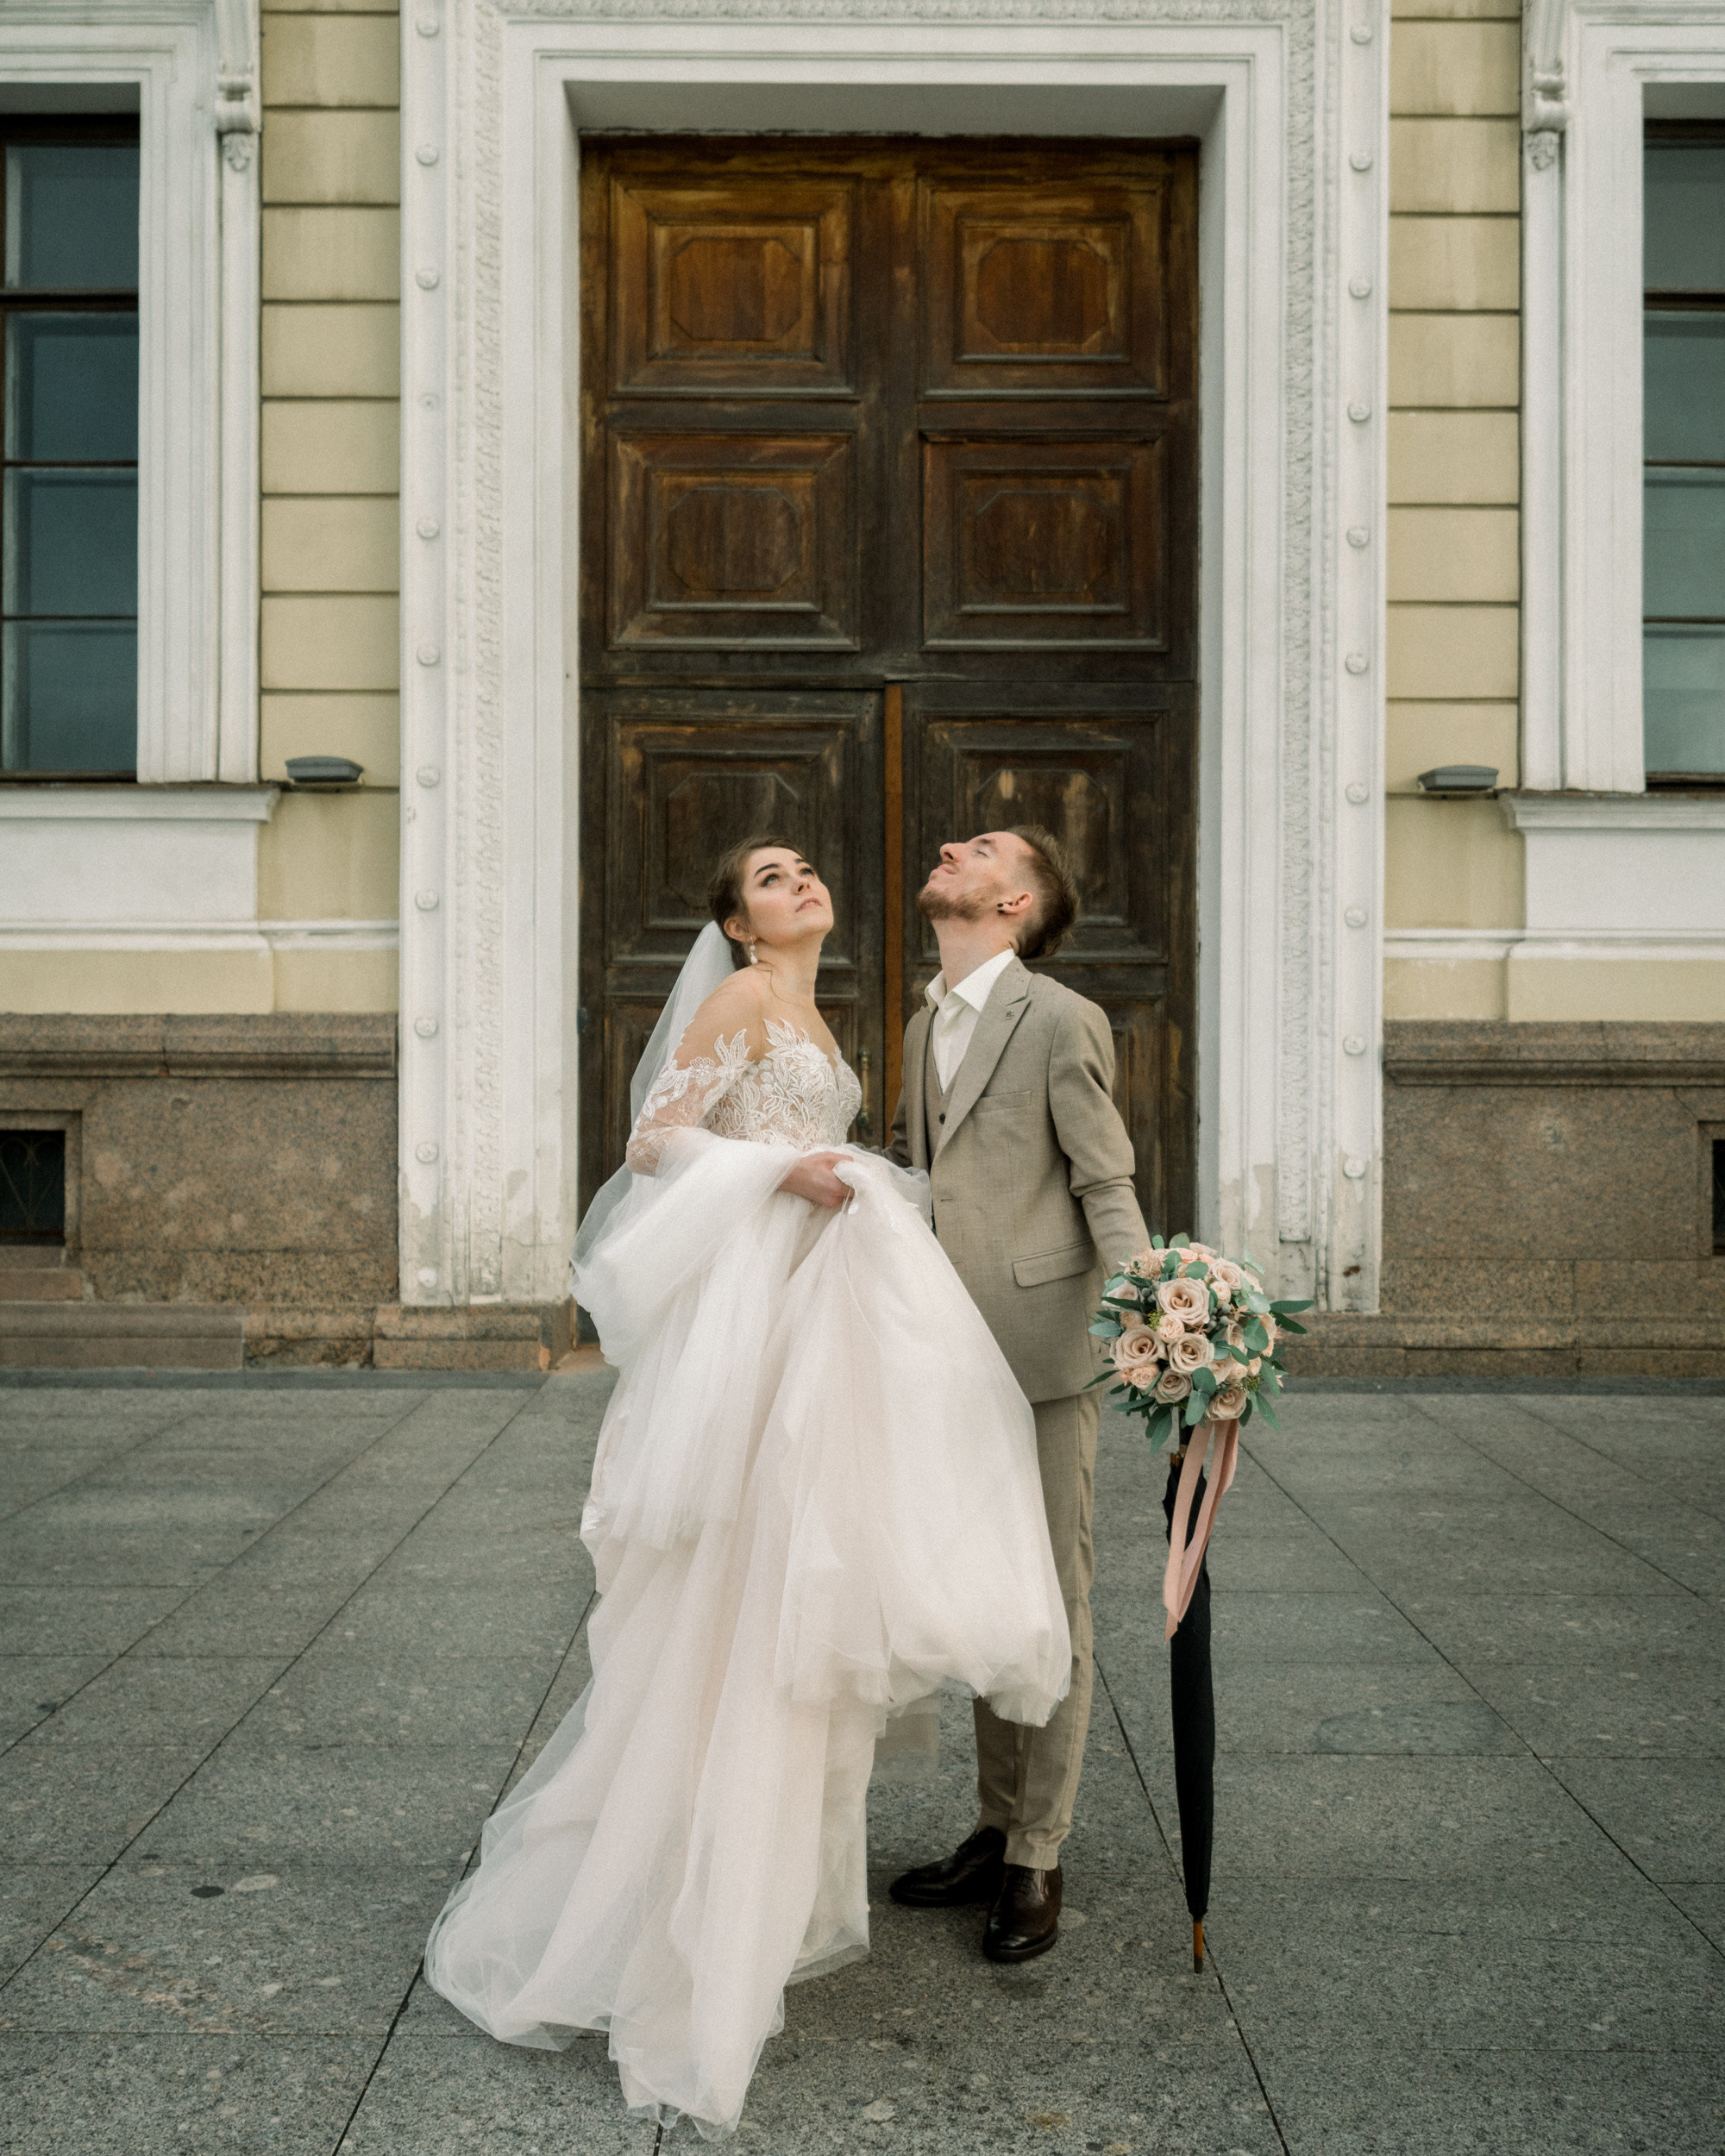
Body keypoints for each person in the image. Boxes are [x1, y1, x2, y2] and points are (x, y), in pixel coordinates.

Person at [423, 837, 1070, 2142]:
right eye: (772, 878)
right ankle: (689, 1903)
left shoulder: (820, 1012)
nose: (802, 882)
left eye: (806, 870)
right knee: (742, 1603)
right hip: (763, 1324)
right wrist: (781, 1170)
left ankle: (757, 1890)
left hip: (812, 1315)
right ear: (735, 920)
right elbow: (654, 1143)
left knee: (802, 1598)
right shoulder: (737, 997)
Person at [886, 827, 1148, 1964]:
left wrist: (1157, 1316)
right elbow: (925, 1174)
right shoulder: (917, 1024)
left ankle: (1040, 1849)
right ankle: (993, 1827)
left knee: (1054, 1602)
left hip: (1042, 1354)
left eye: (981, 847)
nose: (951, 846)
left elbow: (1105, 1176)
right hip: (942, 1358)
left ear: (1019, 900)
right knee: (986, 1602)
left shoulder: (1058, 1017)